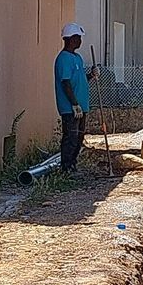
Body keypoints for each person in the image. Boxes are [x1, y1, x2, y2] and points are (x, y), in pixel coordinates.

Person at [55, 23, 90, 174]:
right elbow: (65, 82)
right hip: (70, 107)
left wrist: (91, 75)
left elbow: (80, 79)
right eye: (77, 38)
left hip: (81, 105)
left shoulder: (78, 58)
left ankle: (73, 164)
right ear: (69, 39)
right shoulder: (63, 59)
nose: (80, 41)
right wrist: (74, 103)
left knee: (79, 136)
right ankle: (66, 167)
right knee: (71, 137)